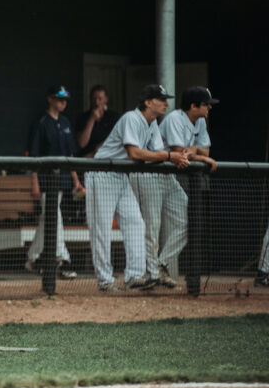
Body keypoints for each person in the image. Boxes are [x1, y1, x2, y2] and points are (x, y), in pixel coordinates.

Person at [85, 84, 189, 292]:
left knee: (136, 224)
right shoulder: (131, 118)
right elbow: (134, 153)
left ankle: (134, 275)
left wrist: (178, 156)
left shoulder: (152, 124)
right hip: (102, 173)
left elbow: (157, 154)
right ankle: (105, 281)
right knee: (102, 229)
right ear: (148, 102)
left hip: (122, 175)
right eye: (161, 100)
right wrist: (170, 155)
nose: (166, 104)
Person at [159, 86, 219, 294]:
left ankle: (161, 265)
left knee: (188, 220)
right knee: (149, 226)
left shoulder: (200, 121)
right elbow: (179, 152)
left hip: (168, 178)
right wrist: (199, 155)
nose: (209, 108)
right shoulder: (175, 119)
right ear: (193, 106)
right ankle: (145, 274)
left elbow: (204, 150)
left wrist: (195, 151)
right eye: (206, 105)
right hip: (151, 173)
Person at [25, 85, 82, 279]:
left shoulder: (65, 122)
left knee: (47, 218)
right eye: (59, 99)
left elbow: (70, 154)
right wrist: (34, 182)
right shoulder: (41, 122)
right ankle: (62, 258)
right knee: (54, 216)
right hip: (45, 180)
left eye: (65, 100)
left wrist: (76, 180)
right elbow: (33, 155)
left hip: (62, 179)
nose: (63, 102)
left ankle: (33, 258)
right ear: (50, 99)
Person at [75, 85, 120, 158]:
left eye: (100, 99)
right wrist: (92, 119)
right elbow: (82, 144)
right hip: (86, 158)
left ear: (106, 100)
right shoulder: (82, 117)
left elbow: (119, 139)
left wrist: (103, 146)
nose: (96, 103)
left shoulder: (113, 117)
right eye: (94, 99)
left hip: (108, 156)